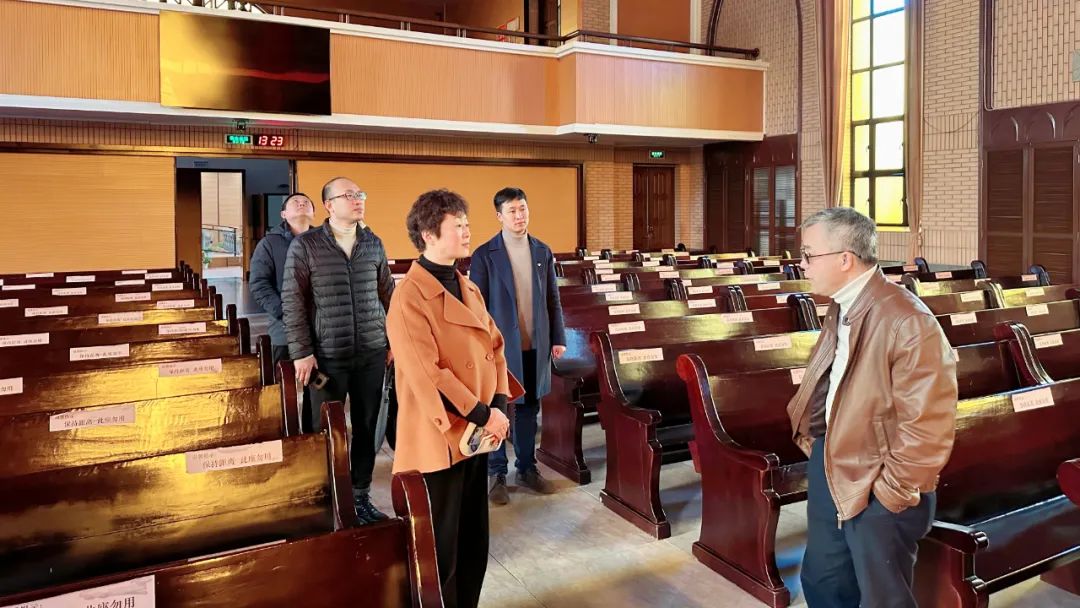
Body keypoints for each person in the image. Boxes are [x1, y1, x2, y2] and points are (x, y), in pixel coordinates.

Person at [786, 207, 957, 607]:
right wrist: (817, 442)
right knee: (824, 580)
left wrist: (890, 494)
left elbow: (928, 426)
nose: (801, 264)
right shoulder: (843, 305)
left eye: (809, 254)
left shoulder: (907, 320)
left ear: (845, 259)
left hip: (879, 482)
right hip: (834, 460)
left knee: (883, 597)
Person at [386, 189, 521, 608]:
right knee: (441, 547)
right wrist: (484, 413)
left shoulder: (467, 286)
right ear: (428, 235)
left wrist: (499, 405)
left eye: (466, 224)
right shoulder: (408, 296)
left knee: (473, 540)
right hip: (442, 436)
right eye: (457, 226)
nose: (466, 232)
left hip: (477, 434)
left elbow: (495, 346)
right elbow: (428, 373)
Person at [281, 177, 395, 524]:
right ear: (329, 205)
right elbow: (293, 301)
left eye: (360, 194)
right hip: (327, 356)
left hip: (371, 352)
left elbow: (388, 295)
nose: (358, 199)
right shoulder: (306, 246)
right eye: (349, 195)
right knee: (324, 427)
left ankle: (359, 496)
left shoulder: (373, 243)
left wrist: (393, 341)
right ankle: (324, 496)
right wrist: (302, 352)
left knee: (366, 425)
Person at [469, 187, 566, 505]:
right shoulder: (485, 254)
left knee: (528, 409)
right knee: (496, 409)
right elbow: (477, 308)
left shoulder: (542, 251)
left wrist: (558, 338)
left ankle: (526, 468)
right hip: (498, 349)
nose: (519, 215)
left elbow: (552, 298)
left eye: (523, 208)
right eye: (511, 210)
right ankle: (496, 473)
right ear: (499, 216)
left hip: (534, 344)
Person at [248, 193, 315, 423]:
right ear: (283, 214)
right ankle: (282, 432)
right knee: (282, 387)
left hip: (320, 328)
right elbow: (259, 284)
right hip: (284, 329)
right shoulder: (269, 243)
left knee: (317, 388)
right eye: (295, 202)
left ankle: (313, 435)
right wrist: (287, 313)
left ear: (314, 212)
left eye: (306, 202)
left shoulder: (323, 240)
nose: (301, 203)